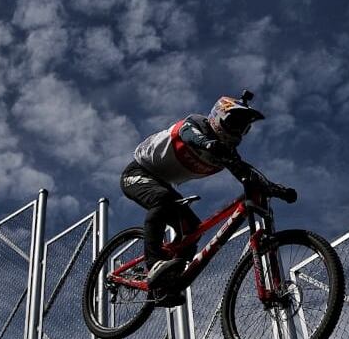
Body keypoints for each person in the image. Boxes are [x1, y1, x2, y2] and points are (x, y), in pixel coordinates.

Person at [121, 92, 290, 306]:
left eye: (243, 128)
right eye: (234, 122)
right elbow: (187, 133)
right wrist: (209, 144)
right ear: (219, 116)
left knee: (192, 227)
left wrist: (275, 189)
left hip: (162, 183)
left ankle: (166, 284)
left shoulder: (226, 152)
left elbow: (246, 173)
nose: (237, 131)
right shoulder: (197, 124)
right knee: (162, 200)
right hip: (138, 172)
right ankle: (153, 263)